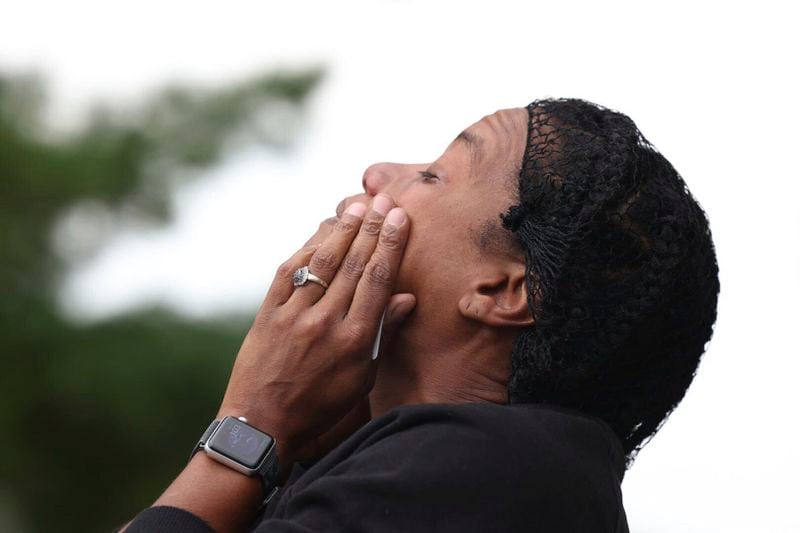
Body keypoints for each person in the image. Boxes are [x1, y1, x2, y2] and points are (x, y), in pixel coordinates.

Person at [123, 99, 719, 532]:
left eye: (432, 176)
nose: (377, 175)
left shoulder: (488, 470)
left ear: (505, 291)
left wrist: (250, 426)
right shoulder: (466, 470)